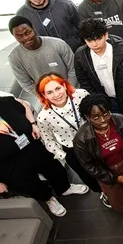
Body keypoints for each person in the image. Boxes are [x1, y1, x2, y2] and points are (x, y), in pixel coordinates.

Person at [0, 87, 88, 217]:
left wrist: (33, 123)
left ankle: (64, 188)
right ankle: (49, 199)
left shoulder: (0, 103)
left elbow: (24, 105)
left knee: (54, 168)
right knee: (31, 184)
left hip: (32, 146)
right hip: (9, 164)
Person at [73, 94, 123, 231]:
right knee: (118, 203)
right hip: (105, 170)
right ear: (87, 117)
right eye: (96, 117)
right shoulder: (81, 139)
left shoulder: (122, 121)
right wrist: (114, 178)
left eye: (106, 114)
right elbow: (89, 165)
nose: (103, 120)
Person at [34, 73, 105, 206]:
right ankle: (103, 192)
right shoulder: (43, 117)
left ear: (65, 86)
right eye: (49, 92)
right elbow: (48, 141)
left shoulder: (81, 95)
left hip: (96, 138)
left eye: (58, 88)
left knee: (106, 164)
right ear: (44, 95)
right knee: (88, 176)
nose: (56, 95)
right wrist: (64, 155)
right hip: (73, 150)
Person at [74, 18, 123, 115]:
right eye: (89, 40)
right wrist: (99, 101)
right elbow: (84, 82)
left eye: (98, 39)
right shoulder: (80, 56)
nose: (94, 44)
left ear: (106, 35)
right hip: (104, 102)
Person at [8, 16, 78, 95]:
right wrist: (47, 95)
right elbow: (26, 84)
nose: (25, 38)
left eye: (28, 32)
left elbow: (73, 69)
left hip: (72, 90)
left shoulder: (58, 44)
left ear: (34, 28)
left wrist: (68, 89)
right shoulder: (14, 58)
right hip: (46, 97)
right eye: (19, 36)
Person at [16, 0, 81, 52]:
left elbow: (81, 27)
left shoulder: (66, 5)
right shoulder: (22, 15)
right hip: (48, 58)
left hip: (75, 52)